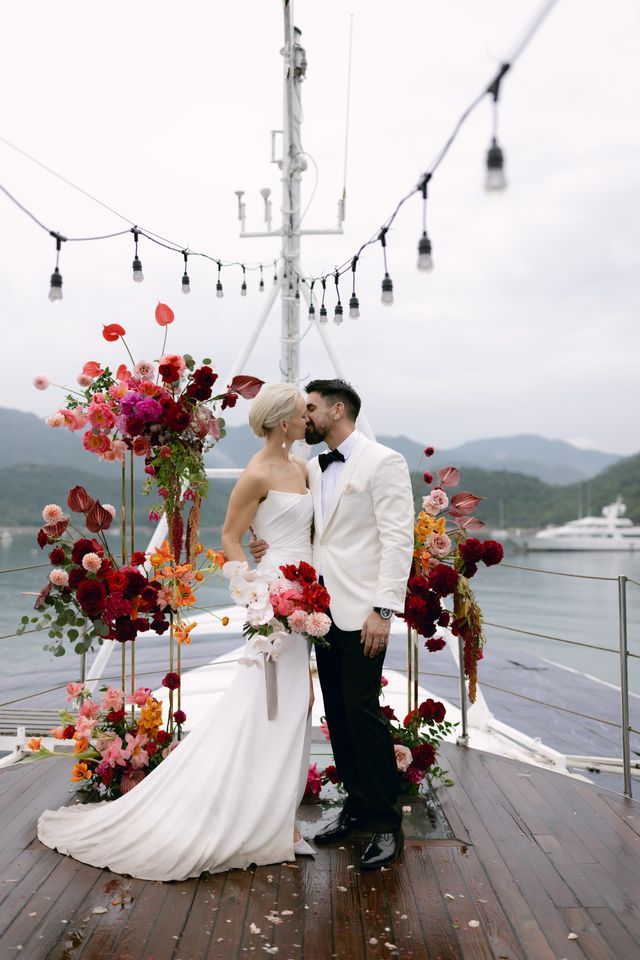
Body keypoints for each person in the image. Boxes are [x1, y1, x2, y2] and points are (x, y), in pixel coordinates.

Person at [37, 383, 317, 881]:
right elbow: (230, 537)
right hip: (274, 597)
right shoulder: (256, 473)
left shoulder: (303, 468)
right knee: (270, 703)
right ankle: (266, 819)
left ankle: (280, 813)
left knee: (296, 705)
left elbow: (303, 531)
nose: (307, 418)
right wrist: (256, 595)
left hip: (309, 592)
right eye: (301, 413)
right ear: (281, 423)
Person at [250, 378, 414, 870]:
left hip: (364, 613)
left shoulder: (384, 462)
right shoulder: (312, 466)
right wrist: (266, 548)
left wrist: (383, 610)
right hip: (321, 612)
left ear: (337, 410)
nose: (306, 417)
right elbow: (305, 528)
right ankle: (356, 808)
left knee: (363, 713)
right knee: (338, 717)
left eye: (313, 408)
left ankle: (387, 826)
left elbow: (398, 539)